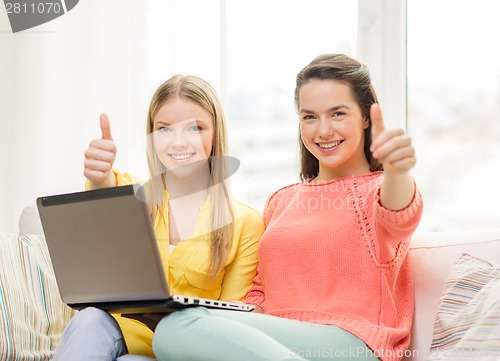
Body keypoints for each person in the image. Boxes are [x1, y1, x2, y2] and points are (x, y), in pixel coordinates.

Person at [150, 54, 424, 361]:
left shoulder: (377, 191)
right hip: (278, 341)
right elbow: (259, 294)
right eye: (309, 117)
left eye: (338, 114)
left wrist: (398, 170)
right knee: (176, 329)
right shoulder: (281, 201)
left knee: (179, 327)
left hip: (355, 345)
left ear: (365, 117)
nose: (323, 130)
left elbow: (401, 216)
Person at [53, 75, 264, 360]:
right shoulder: (136, 198)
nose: (178, 142)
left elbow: (231, 326)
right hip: (115, 333)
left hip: (181, 350)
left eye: (195, 128)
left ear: (216, 134)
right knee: (89, 319)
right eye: (164, 130)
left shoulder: (244, 222)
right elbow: (109, 191)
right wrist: (101, 177)